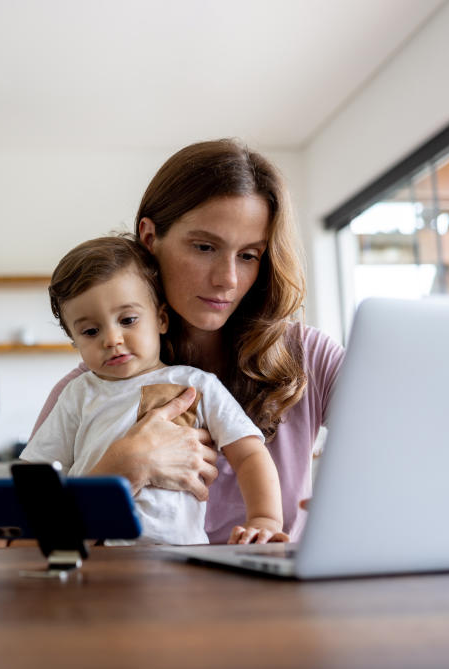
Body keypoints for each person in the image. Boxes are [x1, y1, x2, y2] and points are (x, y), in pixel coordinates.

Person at [33, 139, 344, 544]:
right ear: (149, 237)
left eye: (249, 255)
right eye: (204, 247)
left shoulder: (309, 358)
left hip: (274, 601)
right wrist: (118, 469)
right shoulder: (91, 388)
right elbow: (17, 542)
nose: (228, 279)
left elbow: (403, 450)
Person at [20, 236, 284, 545]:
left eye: (128, 320)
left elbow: (250, 453)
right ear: (75, 343)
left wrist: (265, 518)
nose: (112, 339)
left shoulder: (197, 386)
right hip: (94, 557)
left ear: (160, 318)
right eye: (91, 331)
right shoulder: (77, 394)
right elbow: (34, 477)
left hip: (180, 560)